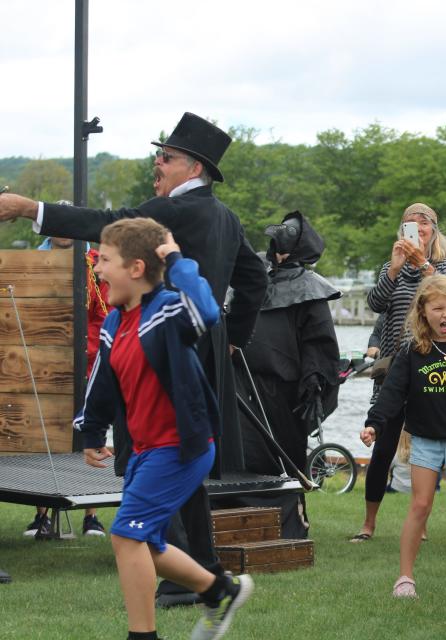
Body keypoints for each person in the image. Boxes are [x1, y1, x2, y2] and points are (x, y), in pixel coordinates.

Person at [0, 113, 268, 600]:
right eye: (158, 155)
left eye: (165, 157)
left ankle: (180, 573)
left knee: (150, 448)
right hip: (201, 346)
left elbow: (108, 226)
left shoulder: (177, 212)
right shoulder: (227, 217)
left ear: (194, 168)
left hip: (160, 344)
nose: (156, 164)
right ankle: (199, 566)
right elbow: (255, 281)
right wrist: (231, 339)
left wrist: (29, 208)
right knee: (186, 458)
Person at [77, 218, 252, 640]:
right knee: (147, 543)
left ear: (136, 269)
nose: (97, 269)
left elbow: (207, 311)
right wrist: (92, 432)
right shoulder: (117, 322)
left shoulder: (170, 310)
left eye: (105, 260)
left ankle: (143, 636)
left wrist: (175, 259)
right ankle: (219, 590)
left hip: (181, 447)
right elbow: (102, 379)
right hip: (145, 450)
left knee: (125, 535)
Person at [359, 275, 446, 602]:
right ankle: (405, 579)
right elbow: (392, 393)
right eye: (438, 307)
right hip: (426, 440)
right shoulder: (412, 351)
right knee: (420, 504)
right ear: (423, 311)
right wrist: (374, 423)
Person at [353, 202, 446, 543]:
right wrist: (394, 269)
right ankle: (368, 523)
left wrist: (423, 264)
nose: (417, 228)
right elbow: (376, 304)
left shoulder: (445, 265)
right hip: (393, 365)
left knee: (425, 445)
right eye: (409, 224)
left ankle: (422, 522)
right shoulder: (393, 266)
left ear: (434, 229)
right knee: (383, 444)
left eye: (423, 223)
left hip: (431, 364)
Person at [239, 212, 341, 534]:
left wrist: (314, 382)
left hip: (285, 391)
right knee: (245, 454)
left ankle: (291, 524)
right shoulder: (257, 278)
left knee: (285, 456)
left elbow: (320, 343)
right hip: (245, 383)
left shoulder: (310, 289)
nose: (278, 252)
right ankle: (243, 521)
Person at [24, 228, 109, 538]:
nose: (62, 233)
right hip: (46, 357)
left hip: (86, 357)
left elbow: (103, 312)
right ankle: (41, 515)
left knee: (90, 433)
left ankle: (92, 515)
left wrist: (88, 349)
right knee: (47, 437)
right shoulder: (35, 261)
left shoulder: (95, 264)